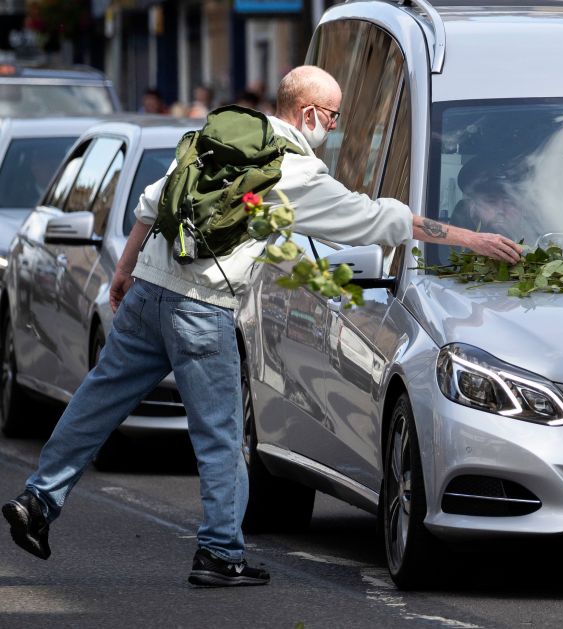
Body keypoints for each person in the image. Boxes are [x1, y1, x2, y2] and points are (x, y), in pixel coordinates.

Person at [1, 66, 522, 587]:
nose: (334, 128)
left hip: (148, 289)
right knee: (222, 436)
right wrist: (467, 239)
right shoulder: (292, 171)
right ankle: (220, 554)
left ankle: (37, 500)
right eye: (334, 116)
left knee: (95, 401)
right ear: (310, 113)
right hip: (202, 307)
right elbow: (374, 217)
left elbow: (152, 201)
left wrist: (123, 271)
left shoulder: (222, 136)